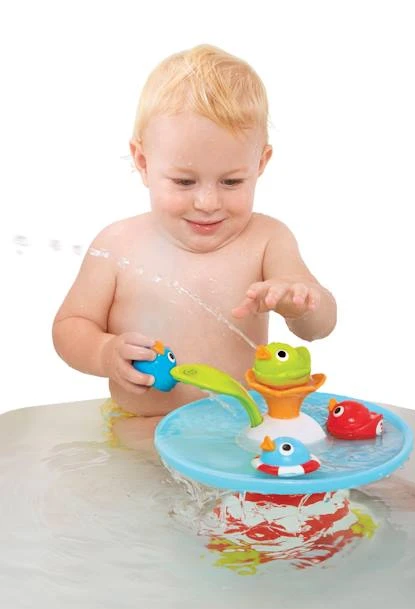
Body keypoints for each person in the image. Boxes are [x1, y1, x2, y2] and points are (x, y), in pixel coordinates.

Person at [52, 44, 337, 450]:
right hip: (146, 424)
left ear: (260, 163)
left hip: (248, 428)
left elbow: (320, 325)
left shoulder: (267, 239)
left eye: (231, 182)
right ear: (143, 161)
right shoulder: (117, 244)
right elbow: (70, 325)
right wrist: (103, 351)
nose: (207, 202)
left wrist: (300, 302)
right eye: (184, 182)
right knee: (141, 467)